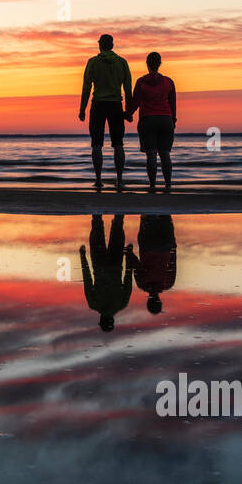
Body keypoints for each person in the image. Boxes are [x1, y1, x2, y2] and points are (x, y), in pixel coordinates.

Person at [78, 34, 133, 192]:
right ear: (112, 45)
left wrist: (82, 109)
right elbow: (128, 89)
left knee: (96, 144)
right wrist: (129, 110)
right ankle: (120, 179)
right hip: (115, 104)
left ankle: (98, 179)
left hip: (98, 105)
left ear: (100, 46)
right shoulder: (121, 62)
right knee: (118, 144)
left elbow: (86, 87)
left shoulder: (93, 62)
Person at [127, 51, 176, 194]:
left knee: (151, 154)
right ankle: (168, 184)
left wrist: (128, 113)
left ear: (147, 64)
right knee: (165, 154)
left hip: (148, 119)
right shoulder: (168, 82)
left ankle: (152, 185)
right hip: (165, 119)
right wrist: (173, 120)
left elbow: (135, 102)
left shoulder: (141, 82)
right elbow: (173, 104)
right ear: (160, 63)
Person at [79, 214, 137, 331]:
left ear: (112, 320)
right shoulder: (94, 304)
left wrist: (128, 256)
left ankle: (119, 204)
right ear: (101, 320)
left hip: (116, 264)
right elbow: (87, 280)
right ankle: (97, 201)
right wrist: (83, 257)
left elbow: (128, 279)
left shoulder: (122, 304)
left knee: (117, 228)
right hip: (99, 265)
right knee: (97, 228)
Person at [133, 214, 176, 314]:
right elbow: (136, 265)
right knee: (148, 215)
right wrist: (129, 253)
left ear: (160, 301)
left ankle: (164, 199)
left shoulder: (168, 283)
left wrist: (173, 246)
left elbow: (173, 263)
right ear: (148, 301)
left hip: (165, 246)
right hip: (147, 246)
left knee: (166, 215)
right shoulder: (142, 283)